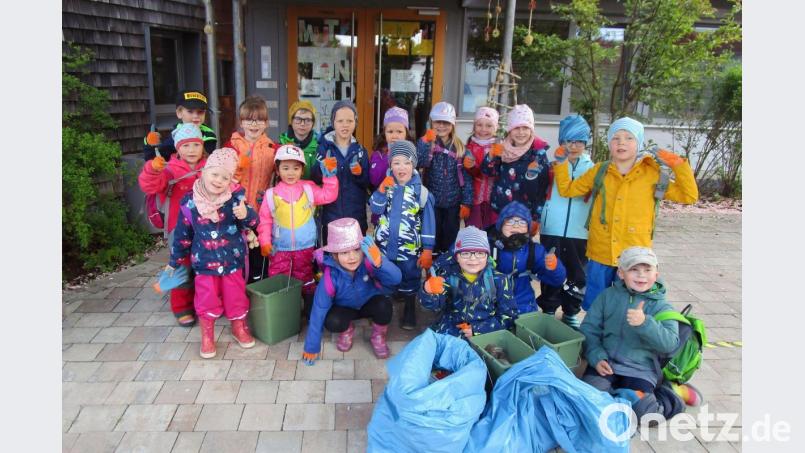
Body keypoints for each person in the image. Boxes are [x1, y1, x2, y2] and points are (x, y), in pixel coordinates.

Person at [553, 117, 699, 310]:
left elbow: (688, 196)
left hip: (635, 255)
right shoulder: (600, 171)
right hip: (601, 252)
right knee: (596, 304)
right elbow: (568, 190)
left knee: (632, 304)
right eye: (616, 138)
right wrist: (561, 163)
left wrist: (678, 165)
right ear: (609, 144)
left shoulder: (652, 174)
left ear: (638, 143)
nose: (621, 142)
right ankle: (595, 337)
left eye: (629, 138)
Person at [168, 148, 260, 359]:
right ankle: (207, 334)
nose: (219, 180)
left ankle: (239, 327)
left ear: (230, 180)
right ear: (204, 172)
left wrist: (246, 214)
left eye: (225, 177)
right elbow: (182, 236)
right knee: (206, 298)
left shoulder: (235, 200)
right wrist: (174, 261)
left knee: (236, 296)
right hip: (204, 264)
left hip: (232, 261)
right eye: (215, 174)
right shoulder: (189, 203)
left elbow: (254, 222)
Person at [579, 246, 679, 420]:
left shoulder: (662, 307)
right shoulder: (607, 296)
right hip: (606, 364)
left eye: (647, 270)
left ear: (656, 274)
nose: (641, 275)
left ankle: (668, 395)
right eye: (634, 269)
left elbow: (670, 344)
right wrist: (596, 356)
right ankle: (616, 396)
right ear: (621, 273)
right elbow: (589, 329)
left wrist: (645, 323)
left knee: (646, 415)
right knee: (588, 404)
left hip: (640, 370)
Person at [302, 218, 402, 364]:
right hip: (345, 309)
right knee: (331, 321)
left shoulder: (369, 262)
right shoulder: (330, 277)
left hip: (369, 303)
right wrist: (311, 347)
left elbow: (396, 279)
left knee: (384, 305)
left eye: (356, 249)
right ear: (335, 255)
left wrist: (381, 263)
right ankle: (346, 330)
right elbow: (319, 310)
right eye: (344, 252)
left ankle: (378, 336)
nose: (352, 257)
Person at [257, 145, 339, 318]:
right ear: (278, 170)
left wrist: (329, 177)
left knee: (306, 277)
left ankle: (309, 310)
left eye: (296, 168)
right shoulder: (271, 194)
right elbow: (264, 221)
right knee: (280, 279)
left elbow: (328, 195)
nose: (291, 172)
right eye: (285, 168)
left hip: (305, 246)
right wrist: (265, 242)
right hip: (279, 248)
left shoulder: (308, 189)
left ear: (302, 170)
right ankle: (283, 313)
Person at [138, 123, 207, 327]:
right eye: (186, 146)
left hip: (206, 227)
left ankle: (203, 303)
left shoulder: (210, 167)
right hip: (178, 229)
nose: (191, 150)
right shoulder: (169, 169)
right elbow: (149, 185)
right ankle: (182, 307)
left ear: (202, 146)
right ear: (177, 148)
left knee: (206, 267)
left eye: (196, 145)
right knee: (182, 267)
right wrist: (152, 169)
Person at [370, 140, 436, 330]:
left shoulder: (421, 193)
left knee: (410, 275)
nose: (401, 168)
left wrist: (428, 251)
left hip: (409, 249)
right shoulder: (386, 186)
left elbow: (429, 223)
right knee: (384, 274)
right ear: (390, 165)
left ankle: (409, 307)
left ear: (413, 165)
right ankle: (384, 308)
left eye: (406, 163)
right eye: (396, 162)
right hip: (384, 246)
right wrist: (381, 191)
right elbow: (375, 208)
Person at [538, 114, 595, 327]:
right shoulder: (551, 166)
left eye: (579, 141)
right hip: (551, 227)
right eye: (568, 141)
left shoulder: (592, 169)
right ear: (561, 142)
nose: (573, 146)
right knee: (551, 269)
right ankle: (549, 308)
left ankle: (571, 310)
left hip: (579, 231)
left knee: (577, 273)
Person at [419, 226, 517, 338]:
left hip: (485, 337)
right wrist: (427, 291)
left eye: (480, 253)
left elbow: (509, 316)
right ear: (457, 257)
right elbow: (434, 306)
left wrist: (478, 329)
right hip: (450, 332)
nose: (473, 258)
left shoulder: (499, 280)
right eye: (465, 253)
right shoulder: (447, 277)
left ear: (487, 256)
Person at [224, 95, 277, 283]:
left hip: (260, 211)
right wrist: (237, 169)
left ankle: (257, 287)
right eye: (249, 119)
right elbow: (220, 178)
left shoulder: (272, 148)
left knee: (258, 253)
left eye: (259, 120)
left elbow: (282, 175)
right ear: (241, 121)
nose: (254, 124)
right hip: (234, 210)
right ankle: (236, 290)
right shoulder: (231, 146)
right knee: (235, 252)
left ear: (266, 123)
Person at [482, 104, 550, 238]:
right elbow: (488, 172)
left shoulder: (538, 154)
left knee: (519, 250)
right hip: (500, 210)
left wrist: (536, 217)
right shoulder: (502, 148)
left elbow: (543, 189)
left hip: (524, 216)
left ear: (531, 129)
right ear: (510, 130)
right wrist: (490, 156)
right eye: (516, 128)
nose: (521, 132)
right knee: (498, 248)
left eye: (525, 128)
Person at [415, 102, 473, 256]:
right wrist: (425, 142)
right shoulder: (427, 143)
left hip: (453, 204)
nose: (441, 126)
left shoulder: (460, 148)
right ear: (431, 122)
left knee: (450, 239)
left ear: (453, 125)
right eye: (437, 122)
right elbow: (420, 162)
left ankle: (447, 270)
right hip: (432, 202)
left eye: (446, 122)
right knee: (432, 237)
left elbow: (466, 178)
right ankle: (432, 271)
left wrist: (466, 203)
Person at [491, 201, 567, 317]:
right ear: (500, 226)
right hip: (492, 301)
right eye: (510, 221)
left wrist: (554, 267)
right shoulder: (488, 246)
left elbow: (557, 280)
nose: (516, 225)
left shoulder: (535, 251)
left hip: (522, 303)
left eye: (522, 222)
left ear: (528, 229)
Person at [310, 100, 371, 242]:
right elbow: (314, 177)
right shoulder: (324, 148)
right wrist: (322, 168)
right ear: (333, 122)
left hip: (355, 215)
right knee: (333, 257)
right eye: (340, 121)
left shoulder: (360, 151)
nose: (345, 125)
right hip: (332, 215)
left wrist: (359, 173)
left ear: (355, 123)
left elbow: (366, 182)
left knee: (355, 256)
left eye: (350, 121)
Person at [369, 107, 415, 226]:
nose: (394, 136)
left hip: (404, 211)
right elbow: (374, 179)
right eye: (390, 132)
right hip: (382, 211)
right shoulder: (378, 154)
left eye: (399, 132)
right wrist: (388, 159)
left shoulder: (412, 154)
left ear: (406, 133)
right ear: (384, 133)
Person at [143, 90, 217, 161]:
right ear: (179, 113)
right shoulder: (176, 134)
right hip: (179, 173)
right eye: (190, 111)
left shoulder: (209, 135)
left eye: (200, 112)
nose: (196, 116)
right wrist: (150, 145)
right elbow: (156, 159)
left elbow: (208, 161)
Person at [464, 106, 500, 233]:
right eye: (479, 125)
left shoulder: (500, 147)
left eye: (489, 126)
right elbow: (467, 176)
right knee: (474, 232)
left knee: (492, 232)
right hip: (474, 200)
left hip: (494, 200)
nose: (483, 129)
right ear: (474, 126)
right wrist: (470, 167)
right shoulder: (469, 148)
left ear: (496, 128)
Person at [279, 100, 319, 179]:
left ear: (313, 123)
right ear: (291, 120)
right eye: (298, 119)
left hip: (312, 190)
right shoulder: (282, 144)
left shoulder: (320, 144)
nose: (302, 124)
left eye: (307, 120)